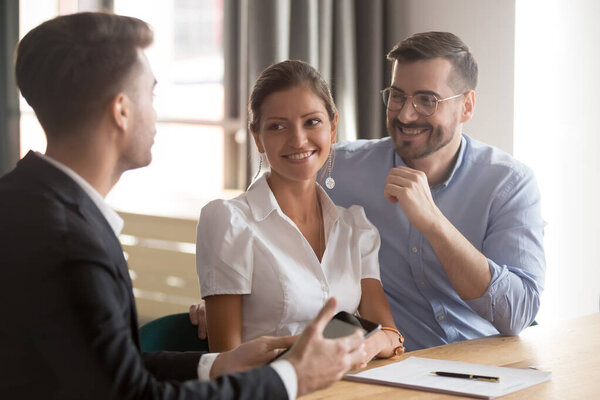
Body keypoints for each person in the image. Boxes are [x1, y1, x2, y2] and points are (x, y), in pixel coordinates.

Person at [0, 12, 367, 400]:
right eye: (151, 94)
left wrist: (216, 363)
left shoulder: (34, 203)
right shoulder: (67, 239)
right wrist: (292, 377)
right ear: (122, 110)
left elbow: (103, 369)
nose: (156, 113)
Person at [191, 32, 546, 352]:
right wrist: (229, 298)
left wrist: (435, 224)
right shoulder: (336, 166)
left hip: (481, 363)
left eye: (427, 100)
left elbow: (517, 314)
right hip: (387, 374)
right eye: (397, 96)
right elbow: (256, 220)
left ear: (466, 105)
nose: (407, 114)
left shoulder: (508, 184)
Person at [195, 60, 404, 362]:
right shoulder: (228, 221)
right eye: (277, 126)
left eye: (312, 122)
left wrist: (366, 345)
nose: (298, 139)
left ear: (332, 127)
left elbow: (390, 334)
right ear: (257, 138)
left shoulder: (355, 227)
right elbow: (226, 362)